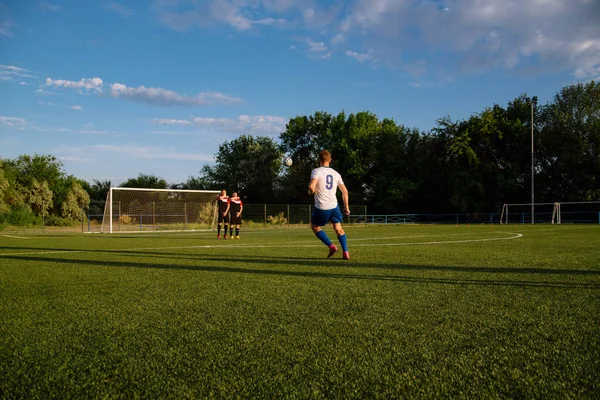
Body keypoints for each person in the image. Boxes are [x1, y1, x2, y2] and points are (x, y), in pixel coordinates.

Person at [308, 150, 350, 259]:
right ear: (330, 160)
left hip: (322, 206)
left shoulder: (316, 171)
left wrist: (310, 191)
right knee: (338, 228)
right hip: (334, 206)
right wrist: (346, 207)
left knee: (315, 226)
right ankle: (345, 252)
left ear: (319, 160)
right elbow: (345, 191)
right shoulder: (336, 174)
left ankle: (331, 246)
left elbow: (312, 186)